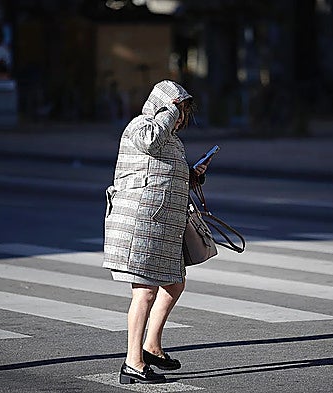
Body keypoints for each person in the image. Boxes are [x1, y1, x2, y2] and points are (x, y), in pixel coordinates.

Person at [103, 80, 207, 384]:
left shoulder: (171, 139)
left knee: (175, 284)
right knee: (145, 292)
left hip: (160, 225)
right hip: (141, 224)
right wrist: (167, 111)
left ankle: (151, 346)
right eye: (179, 110)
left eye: (183, 112)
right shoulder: (142, 125)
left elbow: (158, 168)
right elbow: (149, 143)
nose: (180, 117)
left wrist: (192, 176)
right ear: (164, 105)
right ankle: (132, 363)